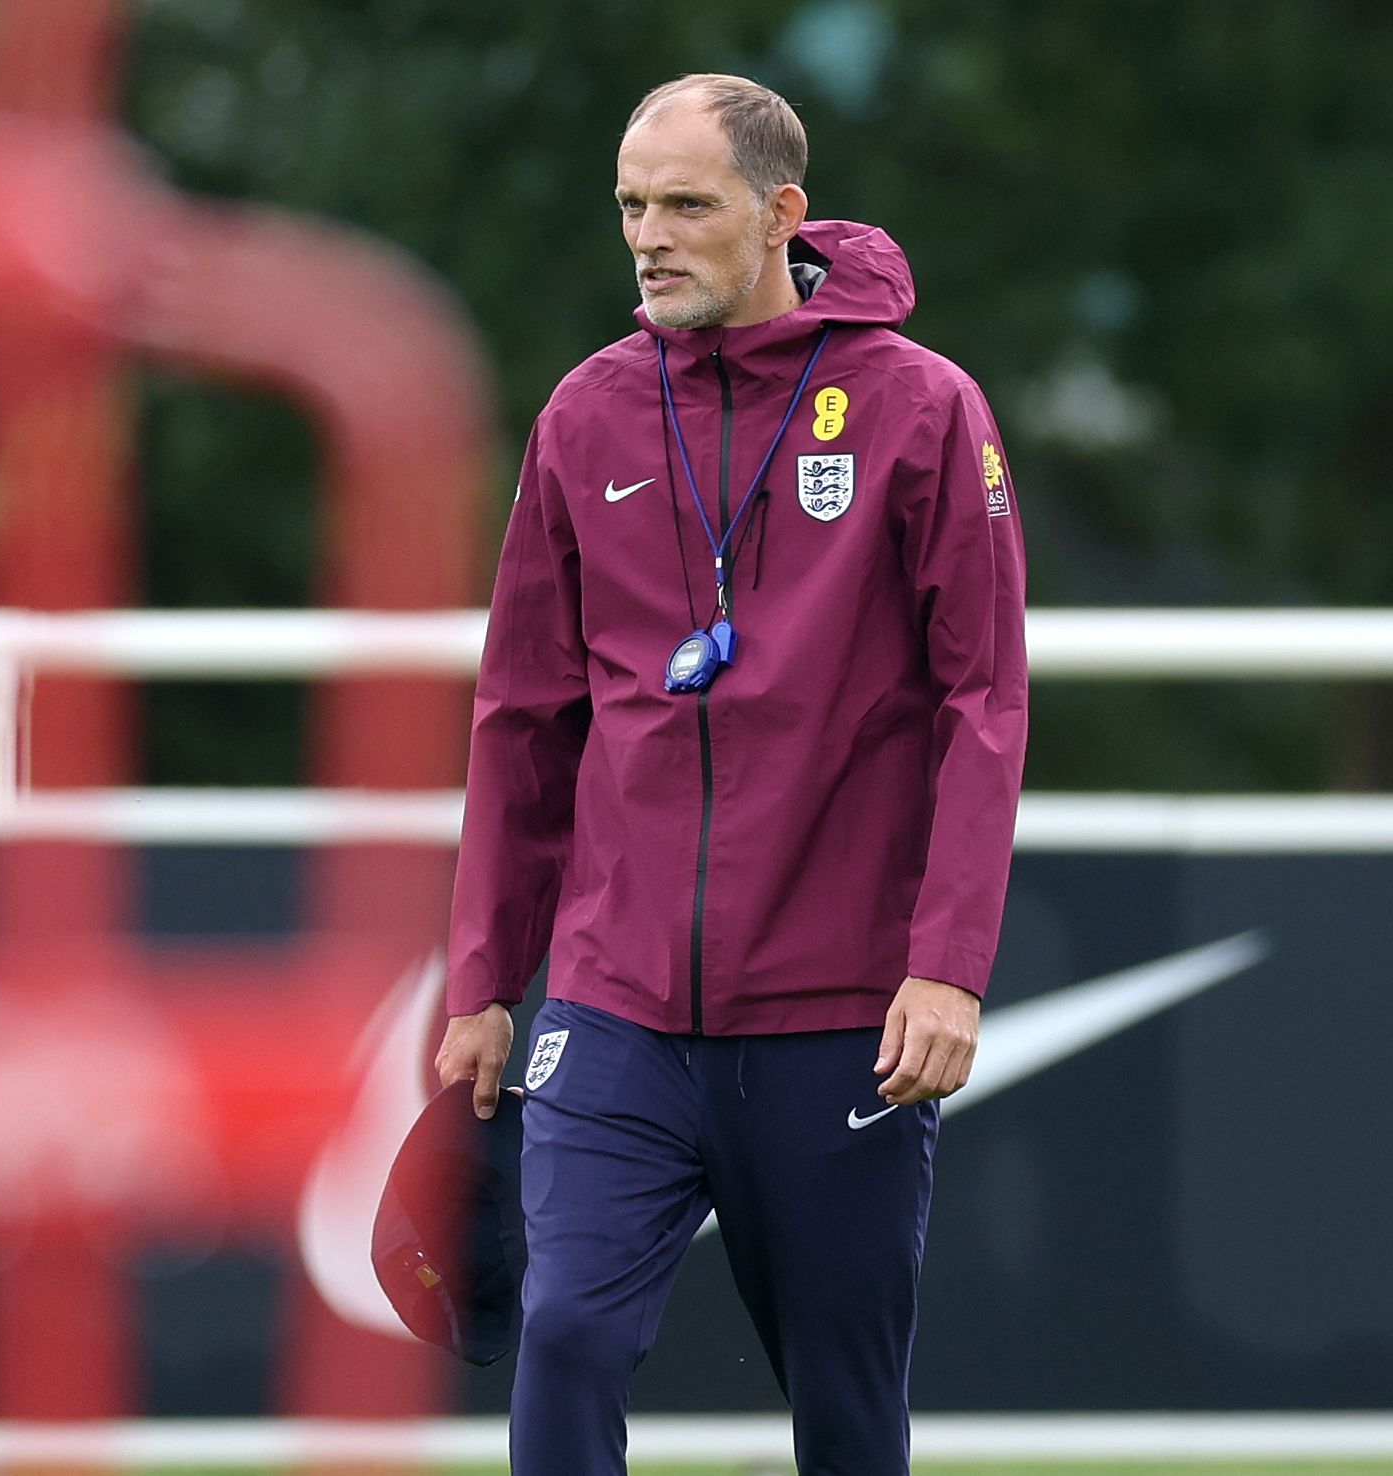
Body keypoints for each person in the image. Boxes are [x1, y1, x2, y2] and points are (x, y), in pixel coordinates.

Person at [434, 72, 1028, 1476]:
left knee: (846, 1403)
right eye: (633, 205)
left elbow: (982, 703)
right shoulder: (582, 414)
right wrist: (481, 981)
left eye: (687, 205)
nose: (650, 234)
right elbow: (523, 714)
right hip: (615, 1003)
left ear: (782, 214)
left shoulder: (923, 407)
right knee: (566, 1332)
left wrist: (946, 964)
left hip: (837, 1015)